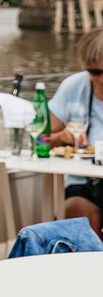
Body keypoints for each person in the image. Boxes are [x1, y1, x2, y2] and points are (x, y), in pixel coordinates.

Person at [43, 27, 103, 235]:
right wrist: (62, 137)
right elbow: (40, 141)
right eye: (95, 72)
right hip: (84, 182)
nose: (102, 79)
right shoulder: (72, 87)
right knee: (78, 216)